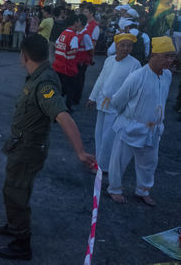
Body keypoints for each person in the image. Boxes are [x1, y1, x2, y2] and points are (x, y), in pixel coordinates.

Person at [0, 34, 95, 261]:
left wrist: (80, 151)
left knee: (16, 193)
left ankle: (22, 243)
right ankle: (14, 225)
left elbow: (62, 115)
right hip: (22, 146)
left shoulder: (44, 83)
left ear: (24, 55)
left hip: (28, 150)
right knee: (14, 190)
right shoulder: (40, 75)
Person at [107, 36, 176, 206]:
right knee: (118, 161)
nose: (170, 60)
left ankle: (143, 190)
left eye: (172, 56)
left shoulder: (167, 75)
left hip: (153, 130)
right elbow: (117, 101)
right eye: (166, 56)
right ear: (153, 55)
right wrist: (128, 118)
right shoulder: (136, 77)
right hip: (130, 126)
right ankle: (114, 189)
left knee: (149, 163)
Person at [88, 34, 141, 174]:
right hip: (102, 102)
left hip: (117, 107)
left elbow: (133, 89)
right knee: (99, 134)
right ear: (116, 45)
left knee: (109, 137)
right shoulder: (109, 60)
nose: (125, 48)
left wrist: (125, 106)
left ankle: (103, 166)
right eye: (122, 45)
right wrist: (92, 97)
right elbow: (101, 79)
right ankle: (98, 160)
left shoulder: (135, 64)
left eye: (129, 46)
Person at [52, 14, 87, 112]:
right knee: (70, 87)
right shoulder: (73, 36)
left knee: (60, 86)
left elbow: (56, 44)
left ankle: (54, 103)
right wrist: (67, 52)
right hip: (68, 66)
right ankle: (67, 106)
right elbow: (74, 50)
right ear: (75, 23)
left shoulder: (63, 33)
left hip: (58, 64)